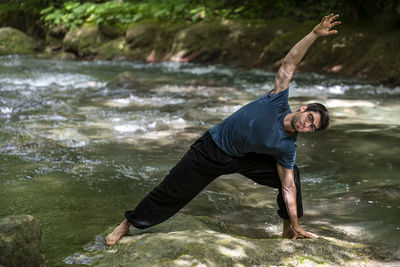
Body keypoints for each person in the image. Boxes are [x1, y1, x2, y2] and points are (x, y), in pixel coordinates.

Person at [106, 13, 341, 245]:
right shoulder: (277, 100)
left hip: (245, 158)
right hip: (213, 148)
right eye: (310, 118)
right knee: (172, 190)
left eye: (312, 127)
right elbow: (289, 64)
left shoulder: (287, 148)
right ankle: (127, 225)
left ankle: (290, 229)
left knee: (292, 176)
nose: (307, 125)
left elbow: (288, 187)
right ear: (303, 108)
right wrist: (313, 34)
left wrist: (297, 223)